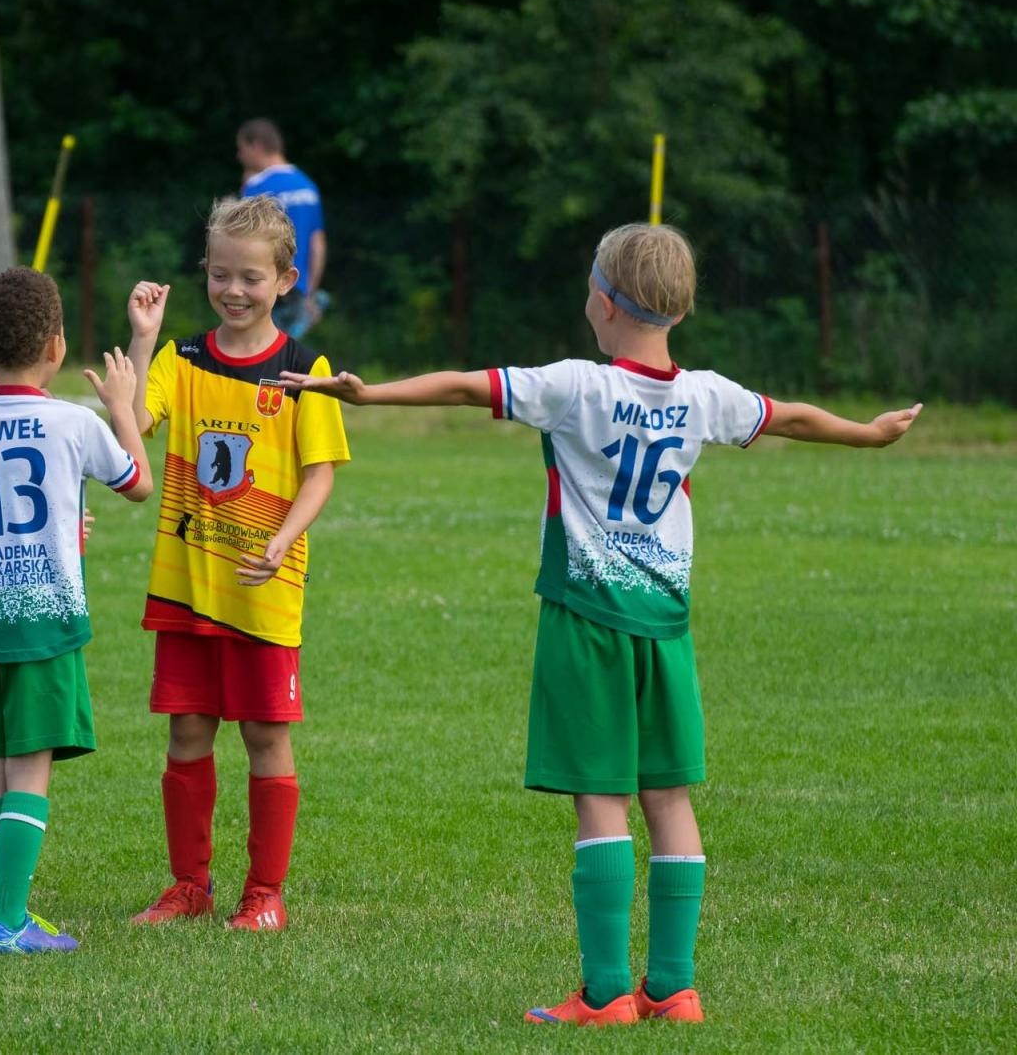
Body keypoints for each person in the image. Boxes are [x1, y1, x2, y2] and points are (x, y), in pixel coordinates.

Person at [281, 223, 921, 1024]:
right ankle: (674, 988)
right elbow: (790, 417)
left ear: (606, 303)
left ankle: (607, 992)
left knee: (601, 800)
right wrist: (867, 434)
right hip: (666, 627)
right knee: (669, 797)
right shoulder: (705, 395)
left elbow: (467, 387)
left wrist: (370, 394)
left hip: (587, 620)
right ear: (677, 312)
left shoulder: (575, 387)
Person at [124, 196, 351, 931]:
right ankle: (188, 886)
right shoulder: (182, 358)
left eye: (251, 277)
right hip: (188, 588)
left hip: (262, 592)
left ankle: (264, 895)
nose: (233, 290)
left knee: (265, 736)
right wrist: (142, 340)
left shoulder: (302, 370)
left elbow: (320, 473)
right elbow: (133, 424)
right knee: (187, 732)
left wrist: (283, 539)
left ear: (285, 280)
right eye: (220, 273)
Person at [0, 268, 154, 953]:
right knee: (29, 766)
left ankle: (8, 913)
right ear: (55, 346)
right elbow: (139, 484)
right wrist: (122, 407)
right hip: (44, 618)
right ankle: (10, 922)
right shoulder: (73, 422)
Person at [237, 119, 327, 339]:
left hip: (262, 285)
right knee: (284, 350)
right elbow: (317, 245)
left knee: (253, 348)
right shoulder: (307, 186)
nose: (239, 156)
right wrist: (310, 293)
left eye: (242, 149)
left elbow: (241, 239)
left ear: (257, 146)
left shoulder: (257, 187)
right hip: (297, 286)